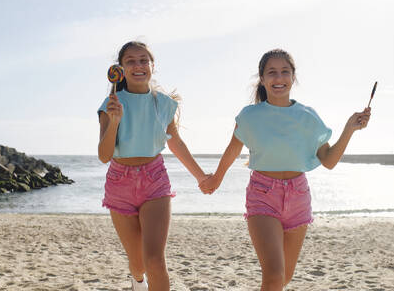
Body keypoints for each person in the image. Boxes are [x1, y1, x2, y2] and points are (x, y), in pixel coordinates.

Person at [199, 49, 371, 290]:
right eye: (272, 72)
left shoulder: (307, 116)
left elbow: (329, 160)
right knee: (273, 276)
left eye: (284, 72)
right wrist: (216, 178)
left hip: (298, 197)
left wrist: (349, 129)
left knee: (283, 278)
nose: (278, 78)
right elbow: (233, 149)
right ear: (262, 78)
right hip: (263, 196)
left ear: (293, 76)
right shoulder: (250, 116)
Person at [98, 41, 208, 291]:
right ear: (121, 69)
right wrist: (114, 121)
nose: (138, 65)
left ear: (152, 65)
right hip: (119, 182)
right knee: (138, 264)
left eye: (143, 60)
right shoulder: (111, 103)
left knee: (155, 260)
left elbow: (176, 143)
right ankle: (137, 281)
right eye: (130, 61)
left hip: (154, 179)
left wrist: (202, 177)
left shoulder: (164, 103)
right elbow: (104, 156)